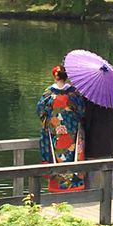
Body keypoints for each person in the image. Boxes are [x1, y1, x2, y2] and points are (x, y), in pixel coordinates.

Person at [36, 64, 86, 192]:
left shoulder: (48, 93)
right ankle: (74, 186)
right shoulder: (74, 93)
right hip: (72, 131)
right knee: (72, 155)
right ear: (67, 77)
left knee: (57, 157)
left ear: (54, 77)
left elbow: (40, 111)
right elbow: (81, 111)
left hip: (55, 132)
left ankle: (57, 187)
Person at [82, 99, 113, 188]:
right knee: (108, 180)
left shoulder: (89, 98)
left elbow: (86, 122)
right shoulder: (111, 99)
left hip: (93, 145)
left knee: (93, 179)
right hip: (108, 144)